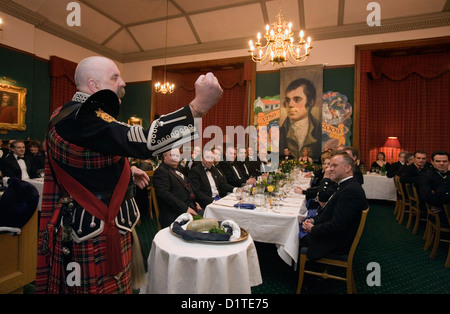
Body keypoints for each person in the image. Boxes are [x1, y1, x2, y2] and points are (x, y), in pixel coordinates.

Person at [36, 56, 223, 294]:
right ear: (93, 85)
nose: (123, 82)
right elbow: (146, 142)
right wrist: (197, 107)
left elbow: (88, 159)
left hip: (91, 225)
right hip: (94, 230)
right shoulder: (85, 117)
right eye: (115, 77)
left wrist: (126, 169)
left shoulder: (66, 112)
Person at [300, 151, 368, 261]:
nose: (330, 169)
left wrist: (313, 229)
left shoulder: (351, 191)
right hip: (333, 235)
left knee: (295, 236)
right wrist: (313, 220)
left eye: (334, 166)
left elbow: (338, 226)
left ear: (348, 168)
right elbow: (328, 212)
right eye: (330, 165)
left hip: (335, 243)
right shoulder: (344, 185)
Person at [153, 147, 203, 228]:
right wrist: (186, 208)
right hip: (176, 215)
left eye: (177, 155)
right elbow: (165, 195)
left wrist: (195, 202)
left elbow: (188, 188)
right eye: (172, 155)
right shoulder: (161, 171)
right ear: (164, 156)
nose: (175, 158)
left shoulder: (180, 169)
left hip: (191, 207)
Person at [279, 78, 321, 160]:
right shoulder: (281, 131)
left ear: (310, 102)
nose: (290, 105)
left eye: (297, 99)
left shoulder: (319, 129)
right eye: (288, 100)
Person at [416, 151, 449, 223]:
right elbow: (426, 196)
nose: (441, 163)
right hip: (440, 211)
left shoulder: (448, 174)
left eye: (444, 161)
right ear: (432, 162)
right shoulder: (425, 176)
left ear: (448, 162)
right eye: (438, 161)